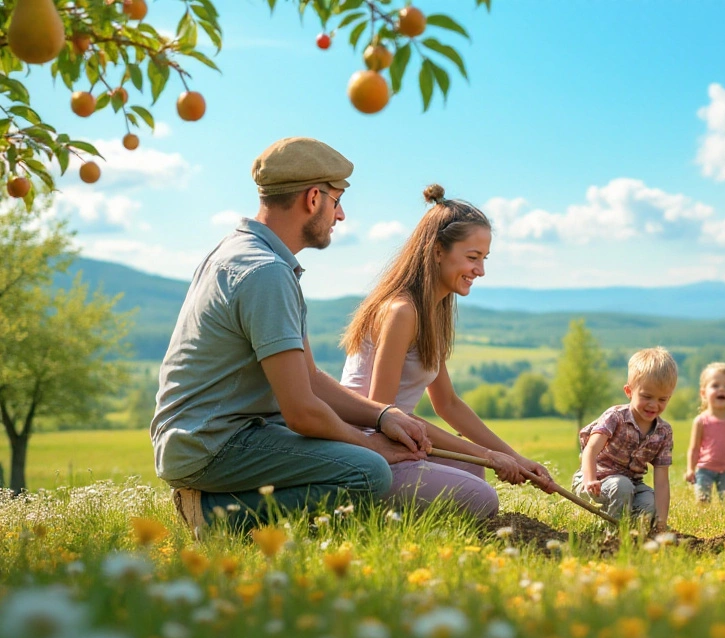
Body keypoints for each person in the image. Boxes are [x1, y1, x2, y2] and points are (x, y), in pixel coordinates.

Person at [152, 137, 431, 535]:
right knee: (368, 472)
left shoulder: (246, 254)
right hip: (213, 445)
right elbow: (301, 411)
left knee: (357, 455)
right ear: (313, 198)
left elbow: (311, 379)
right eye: (337, 201)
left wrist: (383, 414)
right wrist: (371, 445)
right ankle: (212, 514)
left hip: (216, 435)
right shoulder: (265, 272)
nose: (341, 215)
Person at [339, 184, 554, 518]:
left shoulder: (431, 313)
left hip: (400, 442)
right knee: (481, 497)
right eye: (472, 258)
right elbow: (383, 415)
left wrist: (514, 458)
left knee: (471, 471)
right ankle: (365, 513)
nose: (480, 270)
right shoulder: (401, 311)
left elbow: (448, 404)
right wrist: (485, 453)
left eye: (483, 259)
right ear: (438, 250)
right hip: (371, 449)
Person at [571, 348, 677, 530]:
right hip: (595, 479)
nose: (654, 405)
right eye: (646, 396)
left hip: (633, 485)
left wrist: (661, 521)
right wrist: (589, 479)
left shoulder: (664, 432)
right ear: (629, 391)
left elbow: (661, 482)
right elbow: (590, 449)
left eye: (662, 399)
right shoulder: (615, 417)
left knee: (651, 503)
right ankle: (612, 537)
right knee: (622, 486)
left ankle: (636, 535)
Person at [684, 362, 725, 503]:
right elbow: (694, 449)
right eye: (715, 385)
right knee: (702, 501)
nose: (722, 389)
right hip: (704, 469)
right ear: (703, 393)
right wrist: (690, 469)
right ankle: (703, 523)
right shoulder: (701, 421)